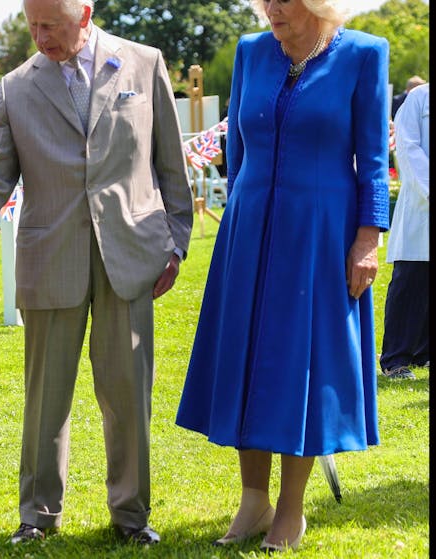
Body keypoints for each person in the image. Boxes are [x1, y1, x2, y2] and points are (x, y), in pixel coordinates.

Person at [0, 0, 192, 547]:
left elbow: (170, 162)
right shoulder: (16, 87)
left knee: (128, 395)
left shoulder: (144, 62)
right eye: (33, 25)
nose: (41, 36)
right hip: (51, 255)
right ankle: (38, 516)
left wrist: (177, 243)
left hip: (132, 252)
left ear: (86, 15)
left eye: (52, 25)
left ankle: (131, 517)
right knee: (46, 396)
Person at [174, 0, 389, 552]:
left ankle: (291, 509)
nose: (270, 8)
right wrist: (242, 218)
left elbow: (371, 159)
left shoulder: (365, 54)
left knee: (303, 362)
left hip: (322, 232)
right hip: (249, 228)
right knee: (246, 356)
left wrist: (369, 238)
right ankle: (253, 500)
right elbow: (238, 152)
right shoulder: (251, 52)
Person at [381, 83, 429, 380]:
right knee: (410, 282)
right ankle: (395, 358)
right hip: (421, 207)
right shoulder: (419, 98)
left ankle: (425, 353)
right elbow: (409, 149)